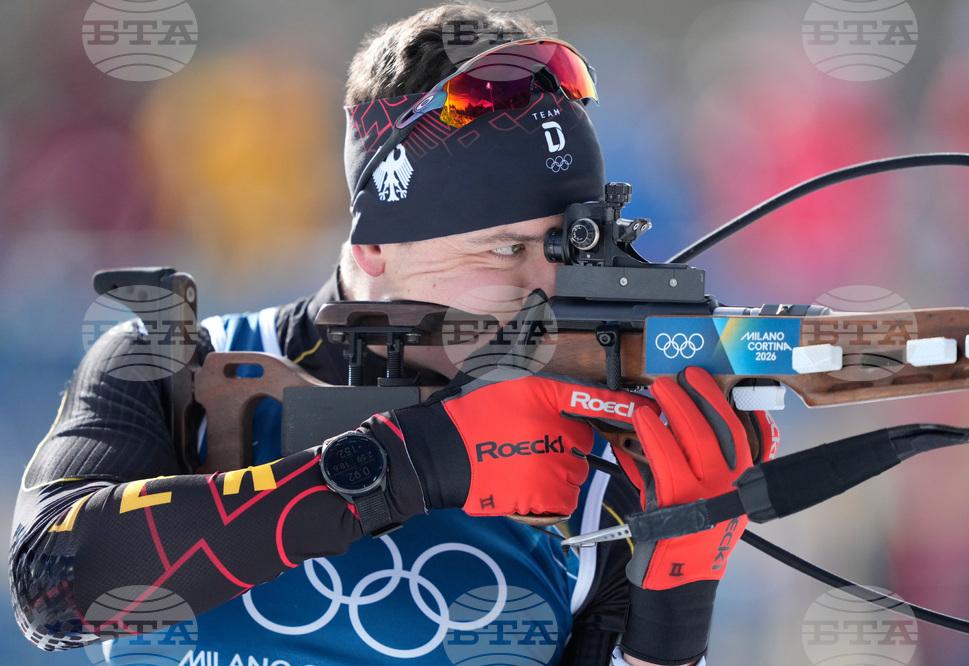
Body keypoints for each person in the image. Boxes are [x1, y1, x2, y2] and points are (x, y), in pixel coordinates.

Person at [10, 4, 776, 665]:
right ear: (374, 246)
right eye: (504, 249)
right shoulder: (179, 364)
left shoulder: (599, 453)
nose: (545, 288)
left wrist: (676, 610)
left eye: (568, 247)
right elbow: (53, 585)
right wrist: (410, 465)